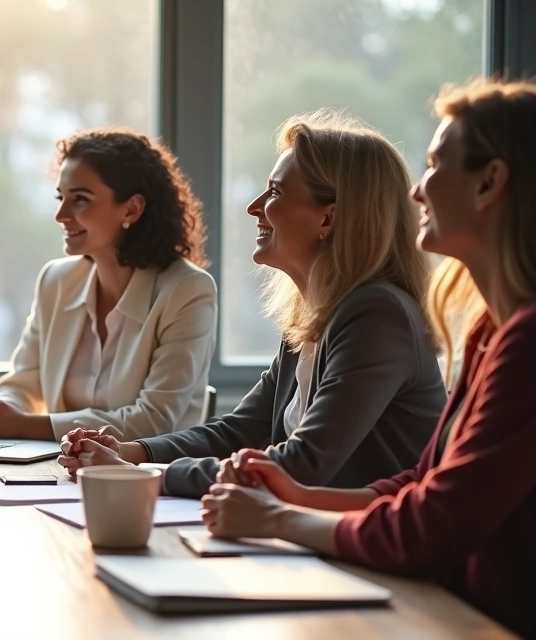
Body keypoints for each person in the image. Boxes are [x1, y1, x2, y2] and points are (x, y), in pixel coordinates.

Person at [200, 79, 536, 640]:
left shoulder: (525, 343)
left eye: (435, 165)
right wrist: (299, 497)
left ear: (490, 183)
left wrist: (281, 517)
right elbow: (419, 483)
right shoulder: (489, 333)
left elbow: (433, 526)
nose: (417, 192)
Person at [60, 111, 447, 498]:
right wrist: (131, 452)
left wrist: (146, 476)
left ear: (328, 218)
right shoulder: (316, 313)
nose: (255, 206)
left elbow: (302, 463)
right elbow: (241, 430)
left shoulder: (377, 316)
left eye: (276, 193)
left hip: (358, 552)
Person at [0, 127, 216, 442]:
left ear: (132, 209)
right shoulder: (56, 281)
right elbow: (22, 385)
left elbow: (153, 421)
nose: (61, 215)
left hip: (147, 479)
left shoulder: (187, 290)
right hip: (59, 469)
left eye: (79, 199)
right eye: (61, 197)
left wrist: (22, 425)